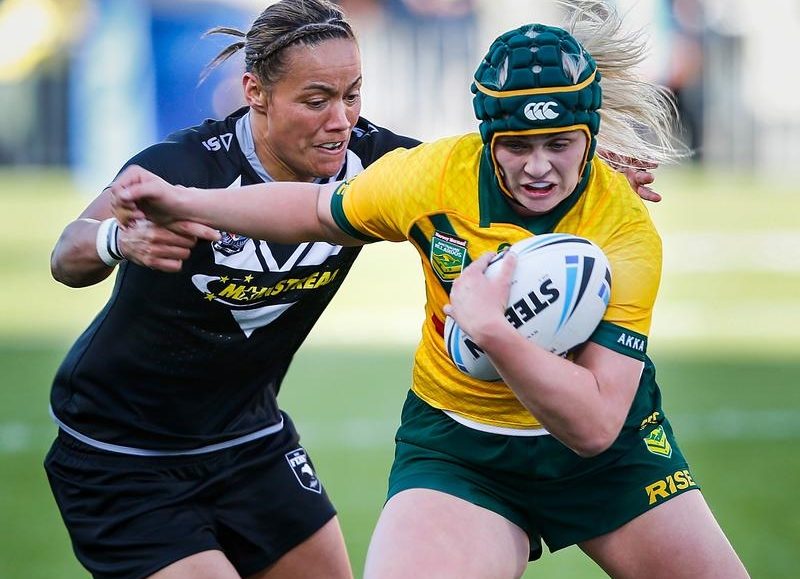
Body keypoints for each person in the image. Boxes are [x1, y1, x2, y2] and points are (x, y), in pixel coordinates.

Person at [110, 2, 750, 578]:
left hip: (612, 463)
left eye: (560, 145)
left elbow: (595, 427)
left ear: (589, 136)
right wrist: (182, 200)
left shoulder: (623, 229)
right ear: (487, 137)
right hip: (461, 450)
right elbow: (312, 210)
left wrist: (491, 330)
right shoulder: (435, 176)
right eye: (517, 146)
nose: (538, 167)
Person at [45, 1, 422, 578]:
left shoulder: (375, 164)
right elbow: (66, 255)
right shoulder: (184, 167)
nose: (341, 120)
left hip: (251, 439)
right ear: (256, 92)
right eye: (316, 100)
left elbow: (467, 184)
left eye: (352, 96)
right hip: (122, 454)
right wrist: (118, 240)